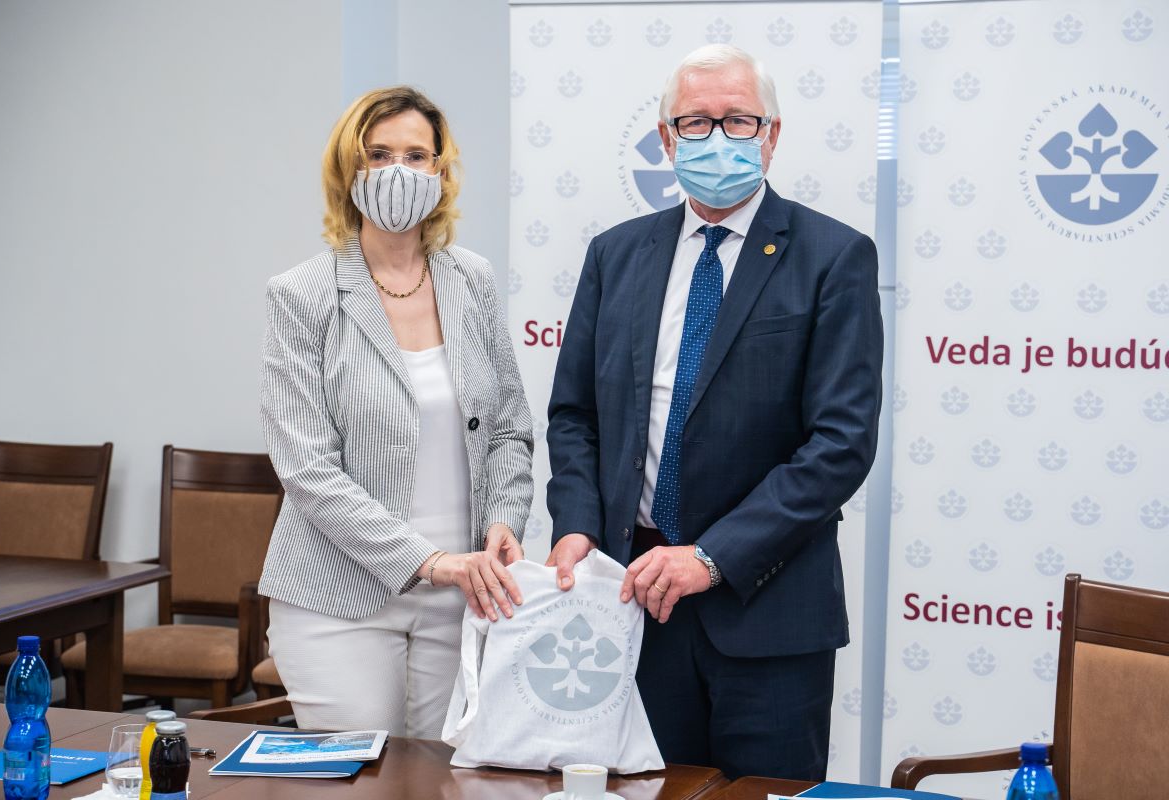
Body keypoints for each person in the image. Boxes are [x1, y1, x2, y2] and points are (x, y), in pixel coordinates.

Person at [544, 44, 884, 780]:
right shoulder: (614, 255)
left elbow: (840, 444)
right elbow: (575, 416)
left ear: (771, 134)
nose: (718, 137)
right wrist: (575, 524)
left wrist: (710, 557)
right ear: (667, 139)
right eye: (696, 122)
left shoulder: (834, 256)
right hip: (633, 606)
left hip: (768, 614)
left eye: (738, 120)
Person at [259, 86, 534, 736]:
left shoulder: (472, 280)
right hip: (337, 599)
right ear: (348, 171)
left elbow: (509, 428)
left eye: (416, 156)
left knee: (447, 775)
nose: (398, 172)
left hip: (463, 594)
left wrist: (503, 516)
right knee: (364, 776)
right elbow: (307, 470)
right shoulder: (301, 294)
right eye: (378, 155)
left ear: (440, 170)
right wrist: (427, 561)